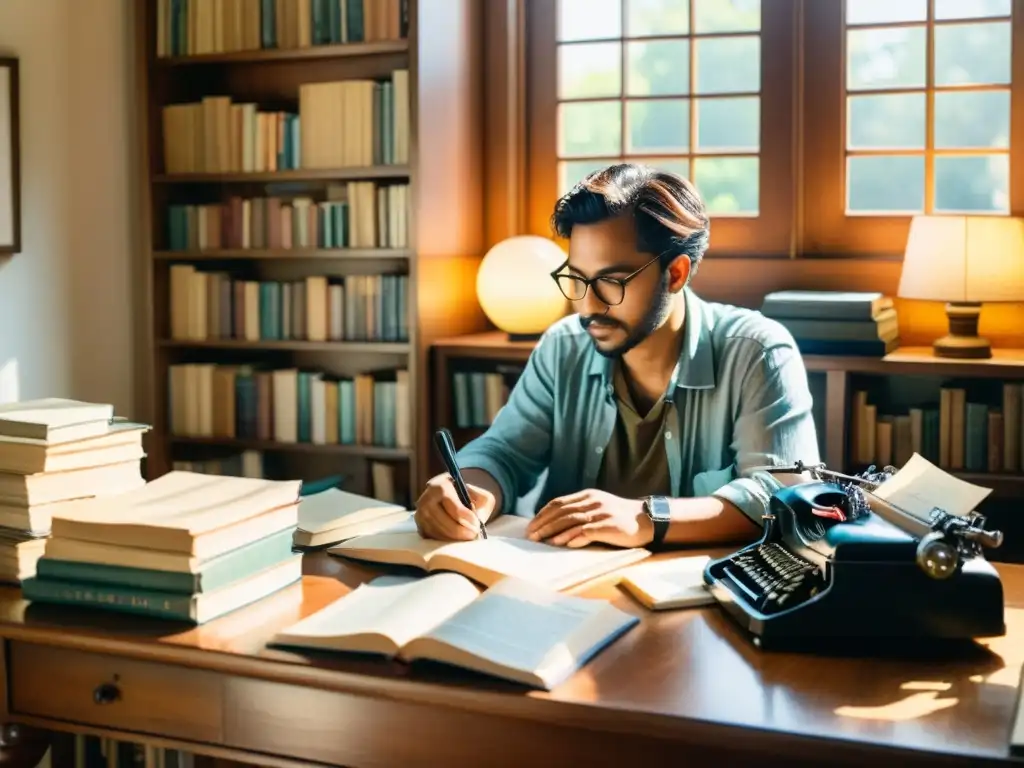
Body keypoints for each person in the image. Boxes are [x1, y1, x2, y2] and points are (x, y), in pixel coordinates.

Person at [415, 163, 820, 550]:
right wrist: (465, 489)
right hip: (564, 591)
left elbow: (783, 496)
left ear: (676, 273)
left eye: (611, 281)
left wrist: (646, 518)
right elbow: (503, 452)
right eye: (576, 278)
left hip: (699, 599)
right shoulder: (563, 347)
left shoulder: (756, 352)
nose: (587, 306)